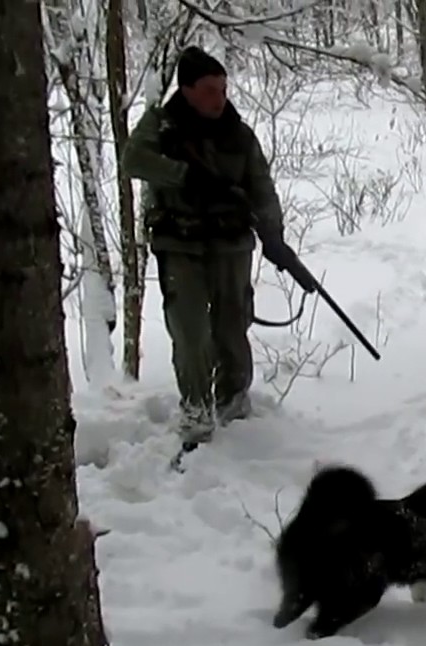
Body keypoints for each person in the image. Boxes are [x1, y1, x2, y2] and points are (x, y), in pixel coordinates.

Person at [121, 45, 307, 449]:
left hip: (231, 246)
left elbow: (262, 187)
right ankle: (196, 411)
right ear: (186, 90)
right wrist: (184, 177)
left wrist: (273, 236)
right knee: (189, 332)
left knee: (232, 327)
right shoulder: (162, 125)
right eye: (208, 90)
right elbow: (133, 159)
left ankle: (234, 405)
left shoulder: (238, 133)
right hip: (180, 244)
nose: (219, 98)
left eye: (223, 89)